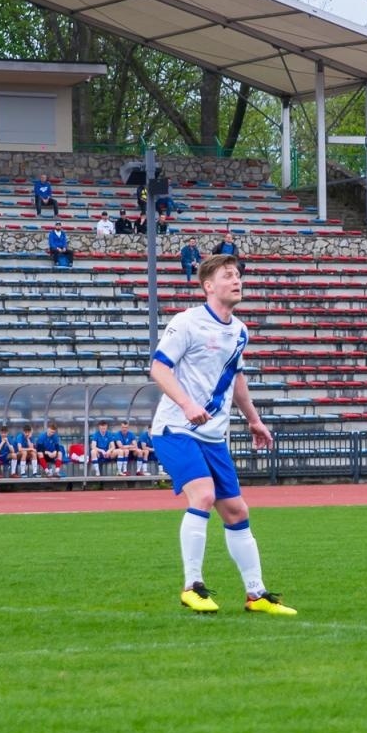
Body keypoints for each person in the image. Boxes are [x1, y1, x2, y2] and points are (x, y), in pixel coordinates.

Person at [149, 253, 295, 615]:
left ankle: (256, 594)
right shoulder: (187, 323)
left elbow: (237, 379)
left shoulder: (240, 330)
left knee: (235, 510)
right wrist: (185, 404)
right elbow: (158, 368)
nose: (236, 280)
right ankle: (192, 586)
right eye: (228, 275)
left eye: (238, 275)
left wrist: (254, 419)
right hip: (176, 428)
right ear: (208, 286)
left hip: (212, 435)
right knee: (203, 496)